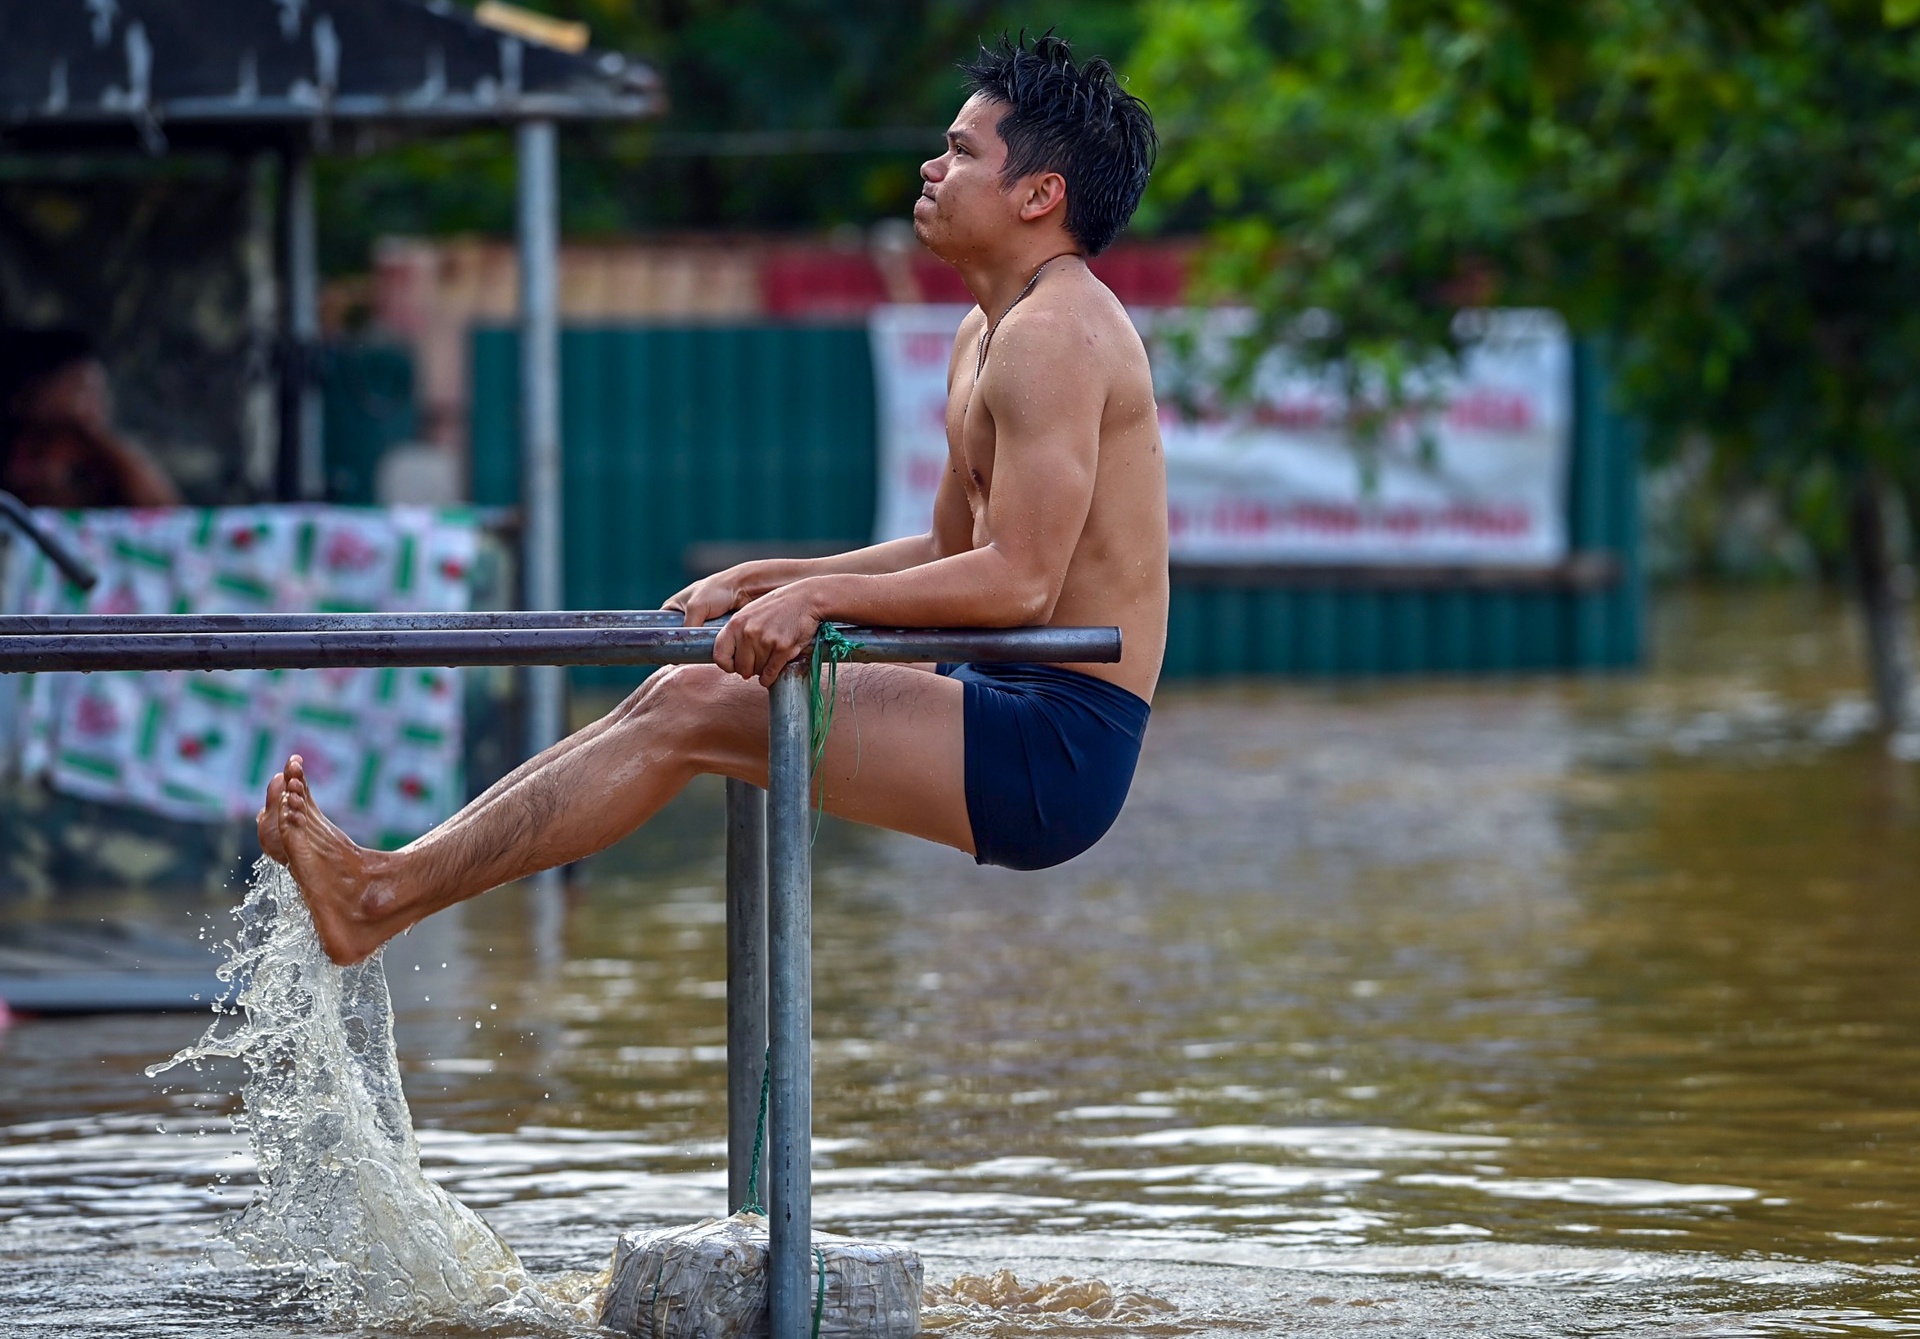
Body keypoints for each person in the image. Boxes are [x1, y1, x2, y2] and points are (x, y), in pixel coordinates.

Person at [258, 33, 1169, 966]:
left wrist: (811, 600)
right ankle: (386, 883)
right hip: (996, 696)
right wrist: (770, 576)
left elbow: (1018, 583)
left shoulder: (1055, 335)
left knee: (691, 705)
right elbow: (948, 553)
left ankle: (383, 894)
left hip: (1059, 748)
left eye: (964, 152)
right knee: (674, 689)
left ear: (1038, 194)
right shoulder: (985, 327)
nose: (932, 168)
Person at [0, 328, 181, 508]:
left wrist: (97, 437)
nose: (94, 402)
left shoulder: (100, 456)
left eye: (99, 391)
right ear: (37, 389)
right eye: (80, 388)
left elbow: (163, 509)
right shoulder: (18, 446)